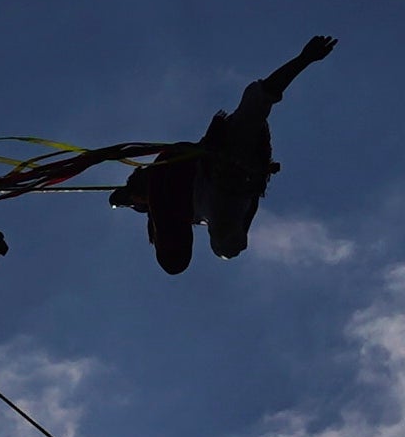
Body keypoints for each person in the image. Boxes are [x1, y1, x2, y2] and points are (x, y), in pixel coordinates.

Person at [110, 35, 337, 273]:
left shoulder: (167, 183)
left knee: (225, 243)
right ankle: (244, 189)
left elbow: (262, 96)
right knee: (225, 245)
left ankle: (243, 188)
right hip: (222, 185)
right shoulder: (163, 206)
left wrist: (304, 59)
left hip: (217, 168)